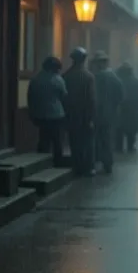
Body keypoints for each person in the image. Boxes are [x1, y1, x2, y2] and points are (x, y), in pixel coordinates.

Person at [27, 56, 67, 167]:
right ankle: (58, 162)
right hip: (56, 114)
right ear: (54, 68)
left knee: (43, 139)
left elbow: (30, 96)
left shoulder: (35, 79)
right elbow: (64, 96)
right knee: (57, 141)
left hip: (41, 114)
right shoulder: (58, 79)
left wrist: (32, 112)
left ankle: (41, 162)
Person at [63, 47, 96, 176]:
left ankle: (76, 165)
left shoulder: (66, 76)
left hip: (70, 114)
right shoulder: (88, 77)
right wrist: (92, 118)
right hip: (85, 115)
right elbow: (92, 99)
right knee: (87, 142)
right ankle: (87, 167)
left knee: (74, 141)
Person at [91, 51, 124, 174]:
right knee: (107, 138)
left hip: (99, 114)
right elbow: (121, 95)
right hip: (110, 114)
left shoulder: (96, 77)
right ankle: (107, 163)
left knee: (101, 138)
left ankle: (103, 161)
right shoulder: (114, 78)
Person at [115, 62, 138, 153]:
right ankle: (130, 146)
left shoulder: (118, 81)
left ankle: (119, 147)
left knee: (119, 129)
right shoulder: (136, 82)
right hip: (132, 109)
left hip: (121, 109)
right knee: (131, 130)